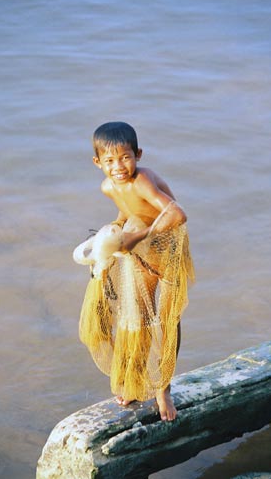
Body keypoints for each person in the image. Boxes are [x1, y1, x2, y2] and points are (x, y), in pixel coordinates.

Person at [76, 121, 195, 421]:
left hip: (166, 245)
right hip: (140, 245)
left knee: (167, 318)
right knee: (138, 317)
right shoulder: (108, 186)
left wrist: (137, 237)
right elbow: (128, 211)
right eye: (109, 160)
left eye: (125, 157)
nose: (118, 166)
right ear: (97, 162)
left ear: (138, 154)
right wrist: (113, 231)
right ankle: (137, 381)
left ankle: (163, 389)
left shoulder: (142, 180)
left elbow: (177, 213)